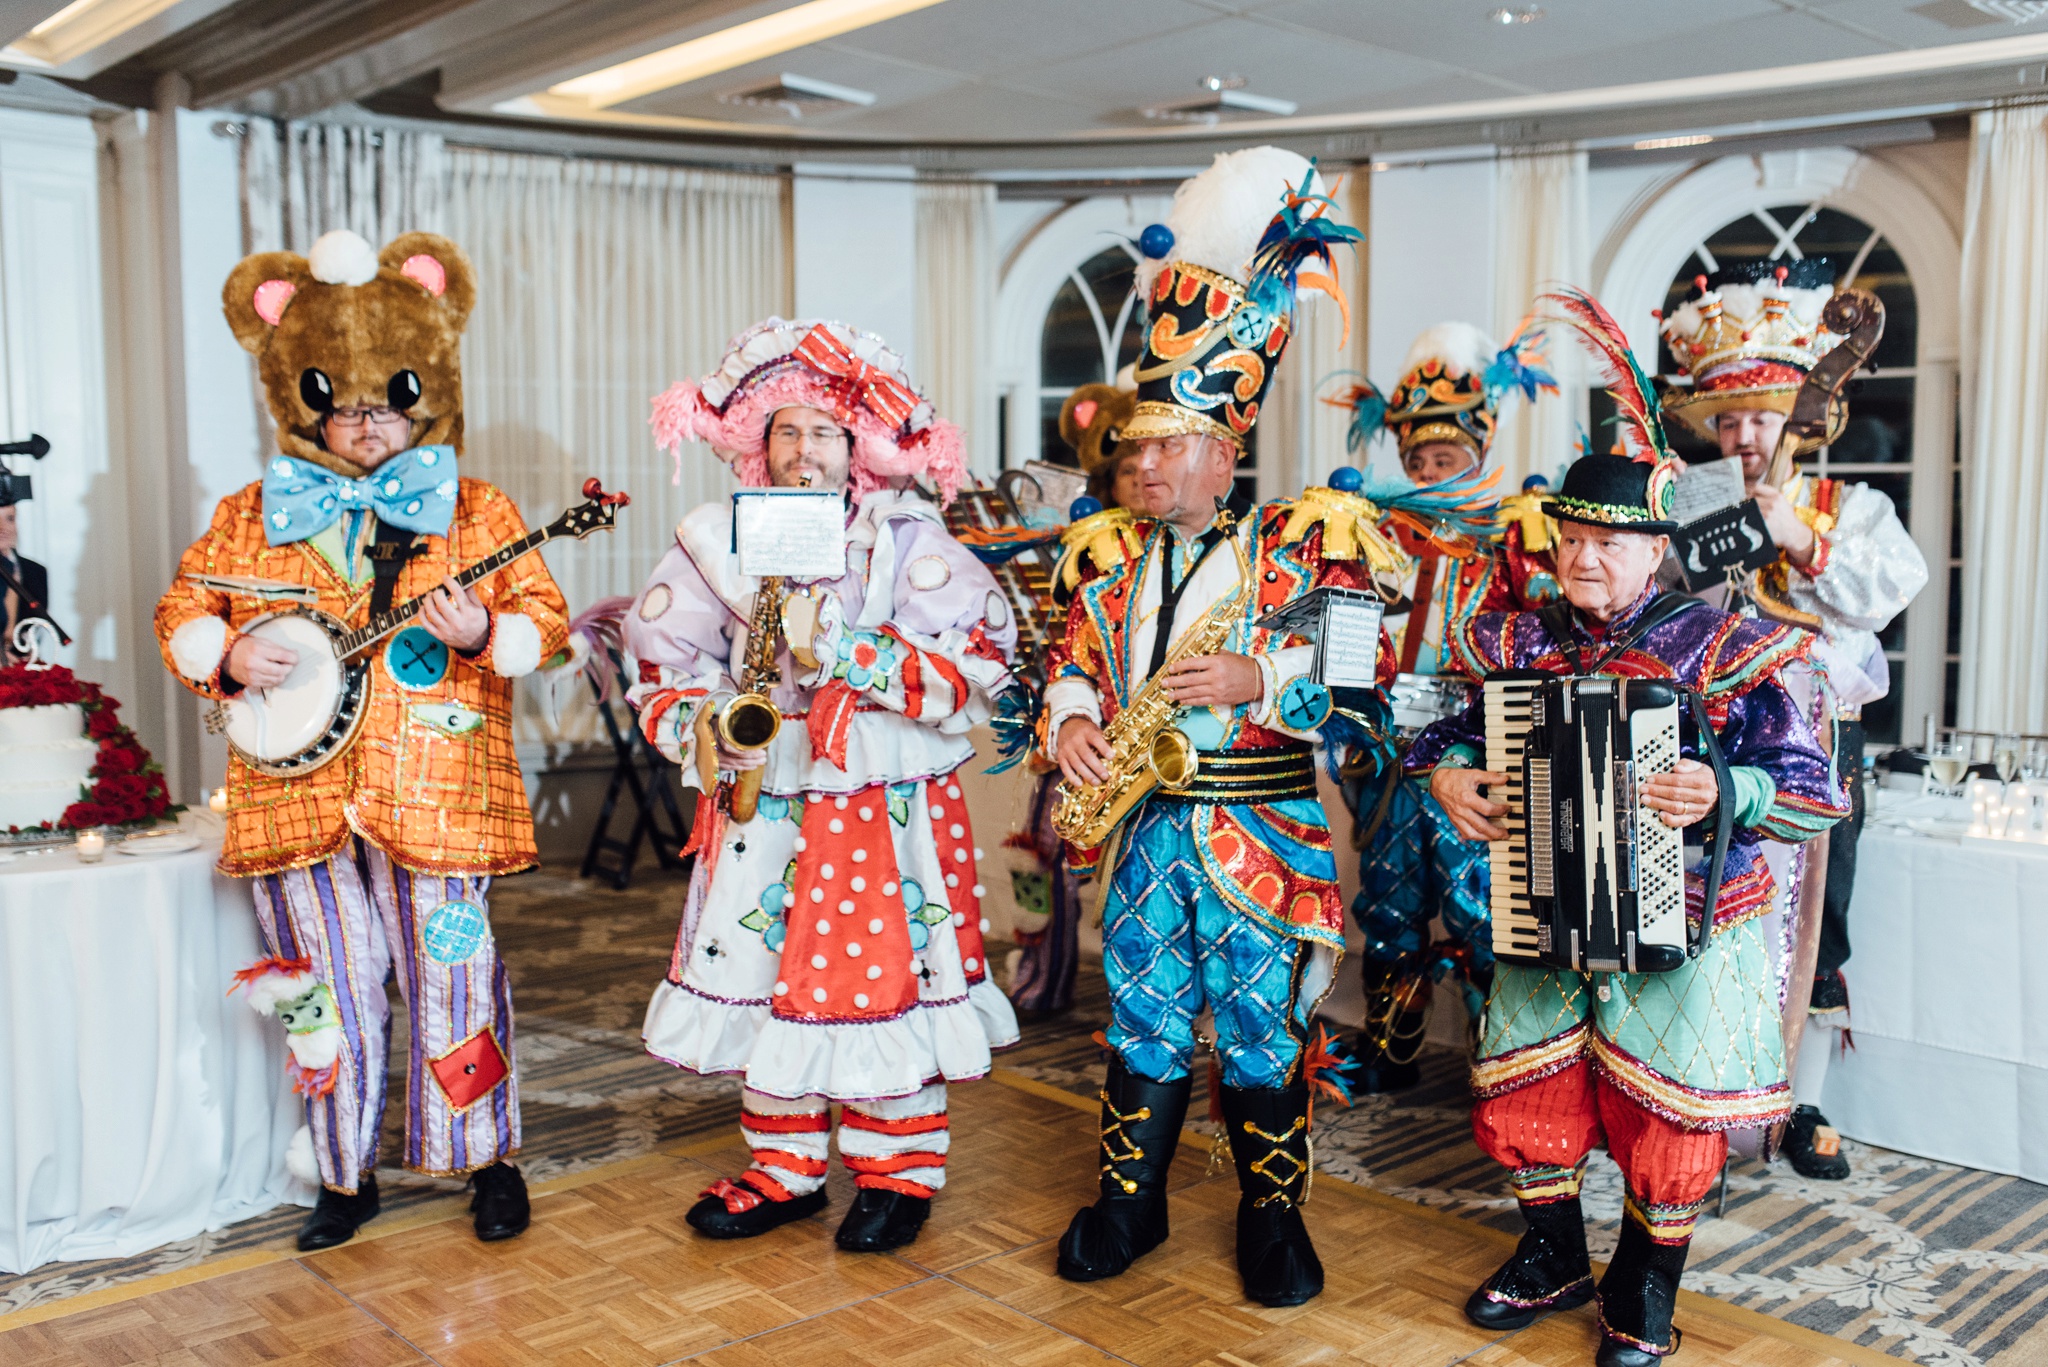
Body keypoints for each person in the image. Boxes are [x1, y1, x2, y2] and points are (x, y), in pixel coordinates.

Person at [1414, 290, 1849, 1366]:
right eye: (1568, 537)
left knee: (1668, 1120)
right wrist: (1449, 778)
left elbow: (1808, 788)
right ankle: (1553, 1251)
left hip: (1686, 928)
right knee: (1529, 1088)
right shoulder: (1508, 637)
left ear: (1656, 552)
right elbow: (1435, 728)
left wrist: (1726, 794)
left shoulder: (1732, 647)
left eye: (1607, 544)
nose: (1582, 558)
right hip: (1541, 912)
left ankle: (1641, 1285)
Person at [155, 230, 568, 1251]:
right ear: (305, 403)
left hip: (437, 791)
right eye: (341, 405)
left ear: (422, 393)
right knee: (324, 990)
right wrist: (227, 654)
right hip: (294, 796)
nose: (364, 424)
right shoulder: (246, 516)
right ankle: (343, 1173)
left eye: (384, 402)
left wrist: (485, 633)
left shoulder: (479, 511)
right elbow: (182, 609)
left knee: (454, 976)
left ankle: (487, 1158)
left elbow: (543, 619)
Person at [1044, 146, 1393, 1309]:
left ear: (1223, 448)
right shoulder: (1099, 557)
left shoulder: (1306, 539)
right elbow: (1070, 667)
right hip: (1143, 827)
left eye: (1163, 443)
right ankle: (1126, 1206)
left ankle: (1271, 1215)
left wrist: (1262, 670)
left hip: (1262, 829)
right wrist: (1073, 722)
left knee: (1256, 1028)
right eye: (1132, 445)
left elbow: (1367, 670)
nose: (1139, 463)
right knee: (1137, 1015)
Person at [625, 317, 1019, 1255]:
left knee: (882, 976)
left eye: (826, 433)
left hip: (880, 802)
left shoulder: (905, 539)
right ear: (760, 442)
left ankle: (897, 1171)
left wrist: (848, 652)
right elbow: (660, 655)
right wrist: (711, 718)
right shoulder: (716, 539)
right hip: (763, 794)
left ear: (860, 449)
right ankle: (786, 1165)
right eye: (788, 431)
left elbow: (983, 653)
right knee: (764, 977)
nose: (805, 451)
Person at [1660, 259, 1927, 1179]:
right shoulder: (1695, 499)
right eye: (1727, 420)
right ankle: (1699, 1076)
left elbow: (1895, 587)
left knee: (1821, 911)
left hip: (1815, 740)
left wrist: (1801, 540)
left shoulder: (1848, 506)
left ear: (1804, 418)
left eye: (1761, 416)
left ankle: (1798, 1096)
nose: (1742, 436)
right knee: (1708, 905)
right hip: (1711, 738)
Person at [1336, 322, 1562, 1092]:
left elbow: (1548, 633)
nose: (1431, 470)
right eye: (1419, 459)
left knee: (1481, 902)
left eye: (1447, 458)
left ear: (1479, 453)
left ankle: (1502, 1059)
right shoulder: (1380, 538)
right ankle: (1390, 1047)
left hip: (1476, 752)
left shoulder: (1514, 535)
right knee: (1389, 901)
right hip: (1393, 754)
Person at [1005, 380, 1141, 1019]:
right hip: (1073, 733)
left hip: (1150, 741)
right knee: (1041, 853)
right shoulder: (1080, 548)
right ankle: (1040, 973)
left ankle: (1141, 999)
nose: (1138, 479)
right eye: (1123, 471)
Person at [0, 498, 52, 662]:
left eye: (10, 519)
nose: (2, 528)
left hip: (23, 664)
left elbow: (36, 627)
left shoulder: (35, 571)